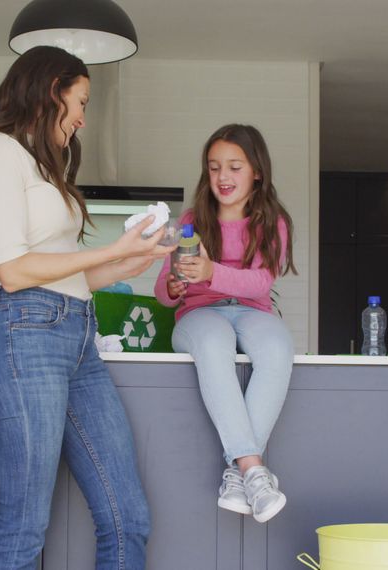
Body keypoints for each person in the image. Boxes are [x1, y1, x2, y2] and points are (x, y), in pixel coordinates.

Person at [0, 46, 173, 570]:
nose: (81, 118)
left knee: (128, 518)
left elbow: (72, 274)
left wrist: (130, 261)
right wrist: (112, 251)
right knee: (23, 527)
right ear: (53, 91)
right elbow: (14, 270)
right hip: (25, 338)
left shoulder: (43, 168)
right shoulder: (0, 153)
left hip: (78, 341)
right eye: (80, 102)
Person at [154, 124, 297, 523]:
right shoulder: (191, 219)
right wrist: (174, 283)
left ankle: (236, 475)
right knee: (214, 341)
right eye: (215, 167)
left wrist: (210, 271)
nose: (223, 177)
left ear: (257, 172)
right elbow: (164, 294)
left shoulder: (273, 222)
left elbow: (260, 282)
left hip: (252, 311)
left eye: (235, 166)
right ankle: (253, 469)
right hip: (199, 315)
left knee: (277, 347)